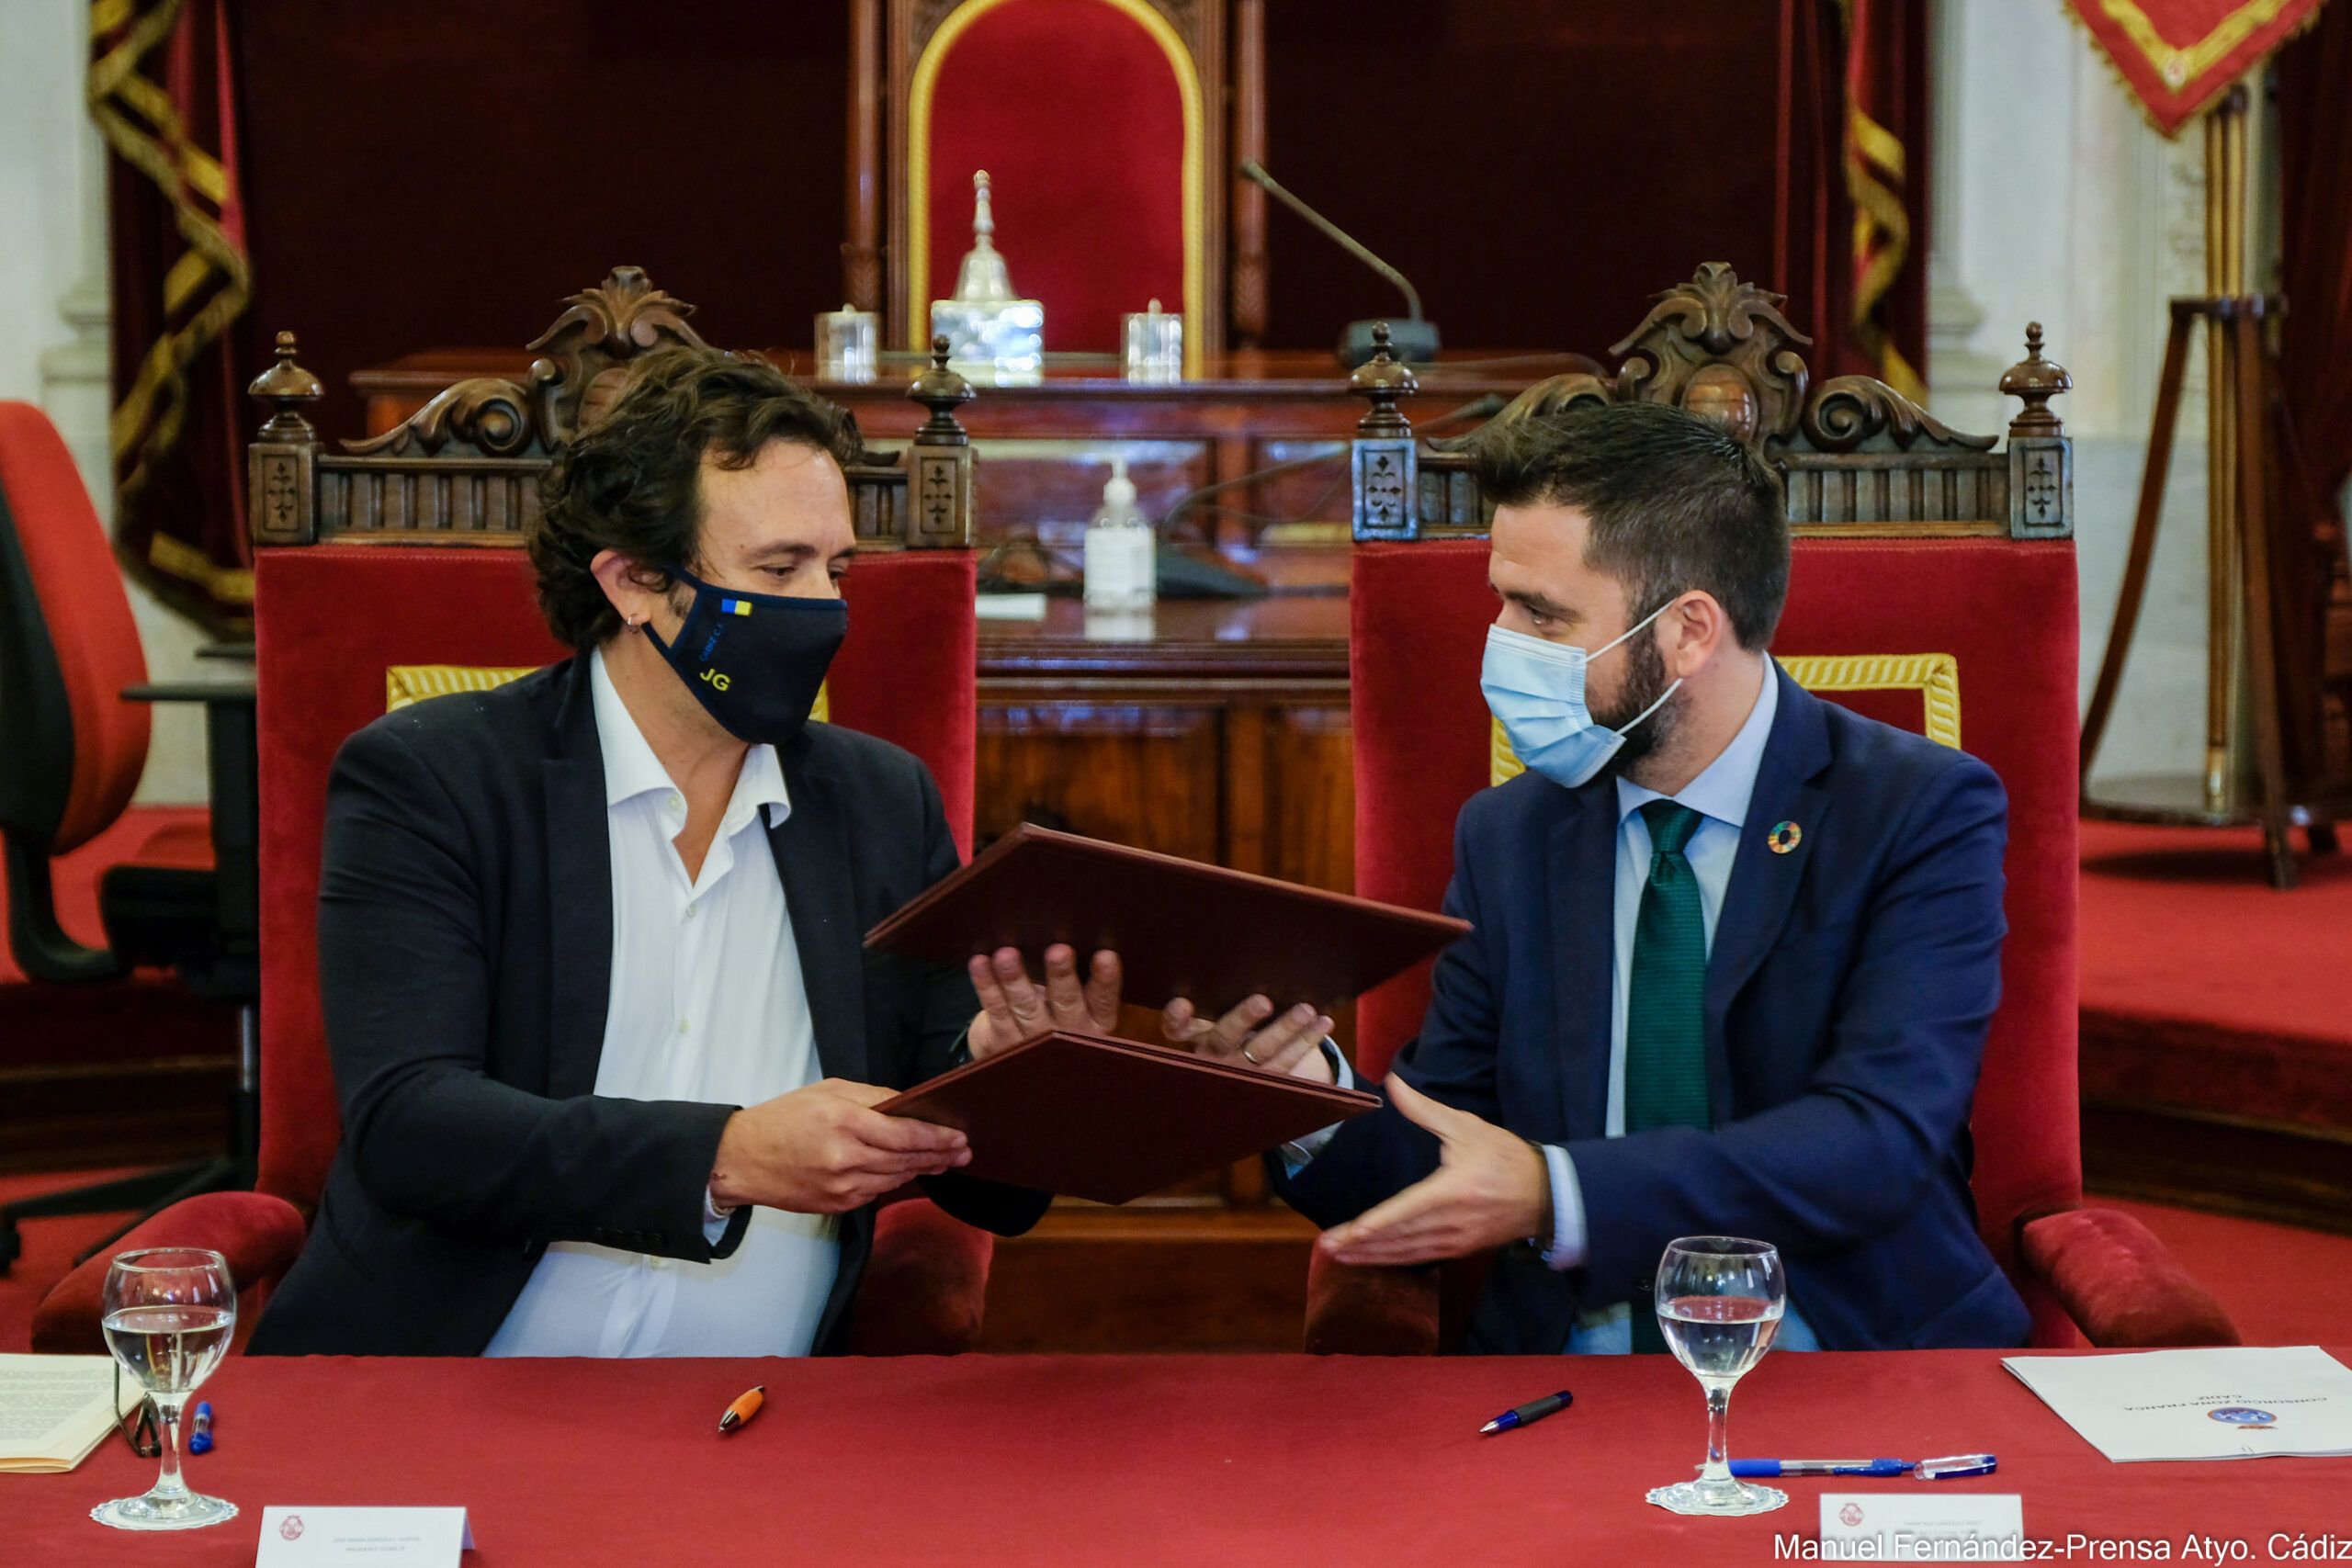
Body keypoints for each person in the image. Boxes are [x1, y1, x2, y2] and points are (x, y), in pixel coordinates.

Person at [251, 346, 1325, 1356]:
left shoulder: (876, 801)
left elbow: (990, 1190)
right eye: (779, 567)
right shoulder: (434, 777)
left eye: (837, 568)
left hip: (763, 1410)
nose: (824, 609)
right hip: (452, 1381)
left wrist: (1007, 1073)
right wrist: (725, 1156)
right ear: (633, 584)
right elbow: (412, 1127)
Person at [1172, 400, 2031, 1353]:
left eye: (1541, 613)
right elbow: (1447, 1147)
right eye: (1501, 601)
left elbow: (1879, 1136)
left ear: (1689, 632)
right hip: (1570, 1375)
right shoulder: (1509, 835)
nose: (1500, 641)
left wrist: (1559, 1193)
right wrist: (1306, 1093)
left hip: (1852, 1355)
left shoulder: (1917, 809)